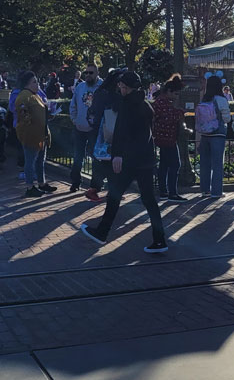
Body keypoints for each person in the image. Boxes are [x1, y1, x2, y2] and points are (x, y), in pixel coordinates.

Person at [80, 70, 168, 253]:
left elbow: (126, 134)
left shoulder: (131, 106)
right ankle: (159, 240)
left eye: (121, 86)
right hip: (144, 160)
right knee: (147, 199)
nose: (119, 89)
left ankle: (102, 232)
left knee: (116, 195)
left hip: (132, 161)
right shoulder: (141, 105)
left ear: (126, 88)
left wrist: (119, 155)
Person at [15, 71, 57, 197]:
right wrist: (30, 121)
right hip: (31, 135)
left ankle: (41, 183)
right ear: (27, 84)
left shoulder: (35, 95)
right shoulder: (24, 96)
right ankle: (29, 187)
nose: (37, 84)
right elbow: (23, 114)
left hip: (41, 134)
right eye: (34, 82)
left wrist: (48, 114)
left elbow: (41, 110)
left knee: (40, 161)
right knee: (30, 161)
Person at [84, 69, 122, 202]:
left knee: (100, 161)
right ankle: (110, 190)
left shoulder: (99, 92)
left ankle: (95, 188)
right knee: (111, 163)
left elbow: (91, 110)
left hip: (97, 131)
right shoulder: (114, 95)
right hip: (109, 132)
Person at [152, 74, 187, 202]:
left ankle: (163, 191)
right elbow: (168, 118)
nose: (176, 97)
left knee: (164, 165)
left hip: (164, 138)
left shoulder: (161, 101)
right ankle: (172, 192)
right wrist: (180, 112)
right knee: (175, 164)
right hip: (167, 138)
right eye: (176, 94)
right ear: (169, 91)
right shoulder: (163, 103)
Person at [196, 75, 231, 198]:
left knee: (205, 163)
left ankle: (205, 190)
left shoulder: (204, 99)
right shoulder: (221, 100)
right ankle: (216, 191)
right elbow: (227, 118)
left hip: (205, 134)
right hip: (218, 134)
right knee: (217, 164)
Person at [69, 65, 103, 193]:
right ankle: (75, 182)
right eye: (86, 72)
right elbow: (73, 105)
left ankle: (96, 185)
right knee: (78, 156)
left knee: (96, 157)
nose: (88, 75)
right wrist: (74, 120)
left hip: (95, 129)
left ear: (97, 73)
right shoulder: (80, 87)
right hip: (80, 127)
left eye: (91, 72)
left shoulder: (102, 86)